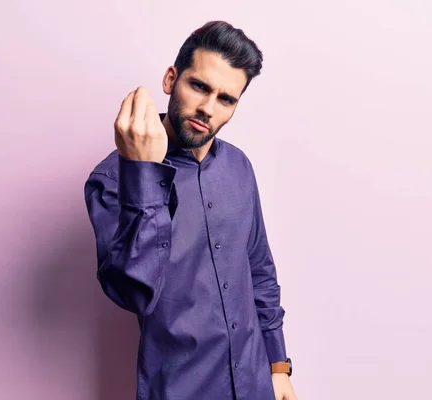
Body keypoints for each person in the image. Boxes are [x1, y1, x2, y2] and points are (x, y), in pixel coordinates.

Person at [84, 20, 297, 400]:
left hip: (256, 384)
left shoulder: (239, 167)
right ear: (170, 80)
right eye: (199, 86)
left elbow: (259, 269)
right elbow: (133, 292)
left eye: (225, 99)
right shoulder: (114, 179)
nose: (207, 108)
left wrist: (278, 367)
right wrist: (144, 174)